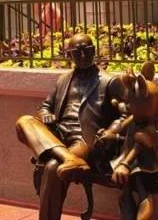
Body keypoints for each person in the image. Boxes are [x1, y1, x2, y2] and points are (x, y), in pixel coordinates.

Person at [15, 34, 123, 220]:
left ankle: (69, 159)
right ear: (69, 55)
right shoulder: (63, 80)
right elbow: (45, 106)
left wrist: (111, 131)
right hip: (58, 136)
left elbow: (126, 114)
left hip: (85, 140)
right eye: (77, 52)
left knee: (52, 168)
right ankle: (69, 158)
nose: (83, 56)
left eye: (87, 50)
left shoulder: (109, 82)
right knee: (23, 121)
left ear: (94, 51)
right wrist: (45, 115)